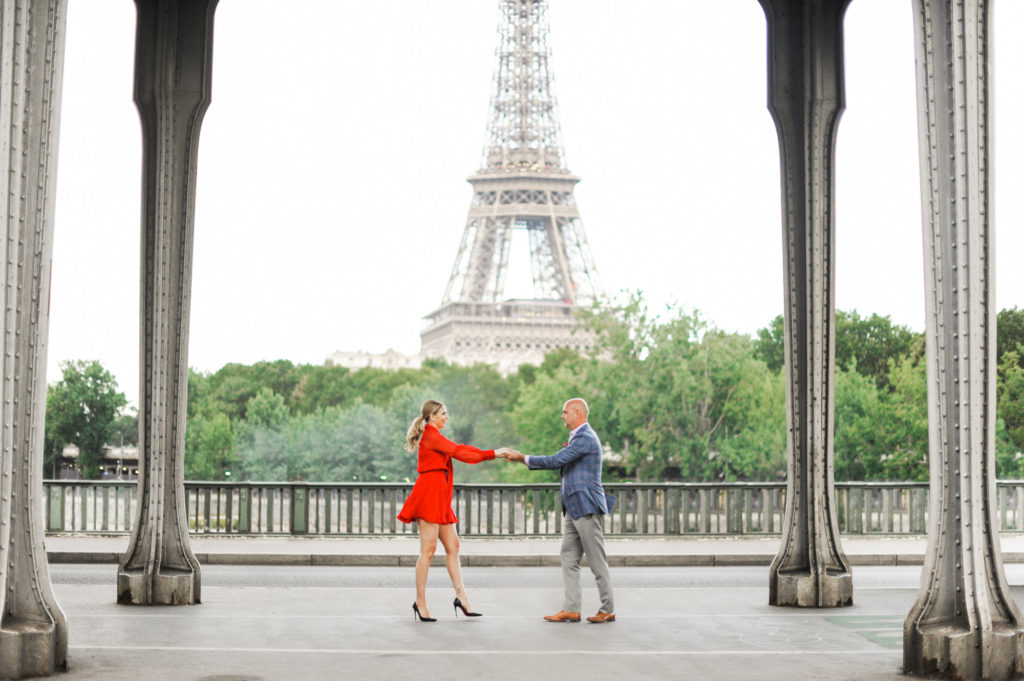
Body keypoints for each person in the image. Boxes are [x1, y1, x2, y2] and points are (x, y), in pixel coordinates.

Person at [505, 398, 616, 623]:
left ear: (577, 413)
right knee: (568, 557)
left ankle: (608, 609)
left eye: (565, 412)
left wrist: (522, 458)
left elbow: (556, 460)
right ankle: (572, 609)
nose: (562, 416)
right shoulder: (578, 437)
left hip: (585, 506)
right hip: (573, 508)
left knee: (596, 560)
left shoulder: (585, 437)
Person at [398, 399, 508, 622]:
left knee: (453, 546)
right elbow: (459, 451)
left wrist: (490, 453)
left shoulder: (435, 436)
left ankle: (462, 598)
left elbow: (460, 450)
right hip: (429, 496)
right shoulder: (431, 435)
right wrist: (493, 453)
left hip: (438, 498)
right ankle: (420, 602)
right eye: (443, 413)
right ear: (431, 417)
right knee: (427, 551)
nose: (446, 417)